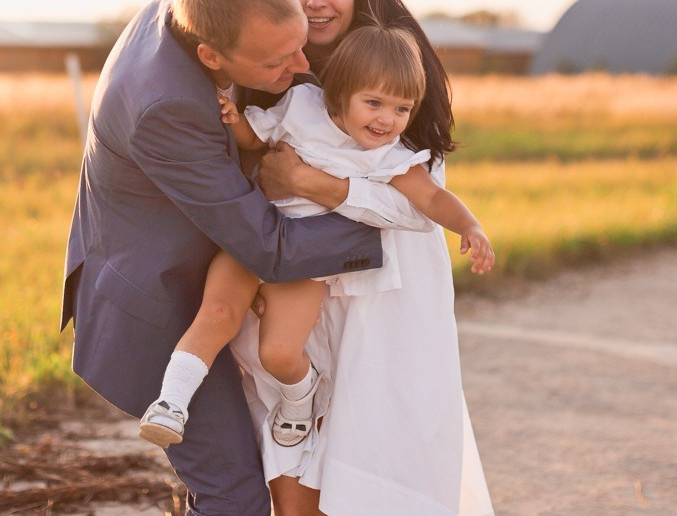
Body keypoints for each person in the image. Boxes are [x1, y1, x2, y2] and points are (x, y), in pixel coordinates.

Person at [62, 0, 428, 516]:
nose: (304, 63)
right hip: (152, 312)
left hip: (192, 286)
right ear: (212, 55)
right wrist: (391, 219)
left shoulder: (195, 6)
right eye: (280, 59)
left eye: (297, 45)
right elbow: (270, 248)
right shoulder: (168, 107)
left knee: (221, 492)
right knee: (233, 496)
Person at [231, 0, 508, 516]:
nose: (316, 0)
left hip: (388, 308)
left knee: (390, 503)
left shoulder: (397, 67)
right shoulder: (267, 79)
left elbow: (416, 207)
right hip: (292, 304)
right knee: (299, 515)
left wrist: (310, 181)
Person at [138, 23, 496, 453]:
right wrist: (234, 122)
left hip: (303, 259)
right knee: (216, 312)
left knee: (279, 353)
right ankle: (171, 403)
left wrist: (470, 226)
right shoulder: (302, 104)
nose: (387, 120)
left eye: (403, 109)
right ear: (340, 92)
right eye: (374, 103)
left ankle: (301, 391)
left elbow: (432, 198)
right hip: (254, 233)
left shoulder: (388, 156)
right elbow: (259, 135)